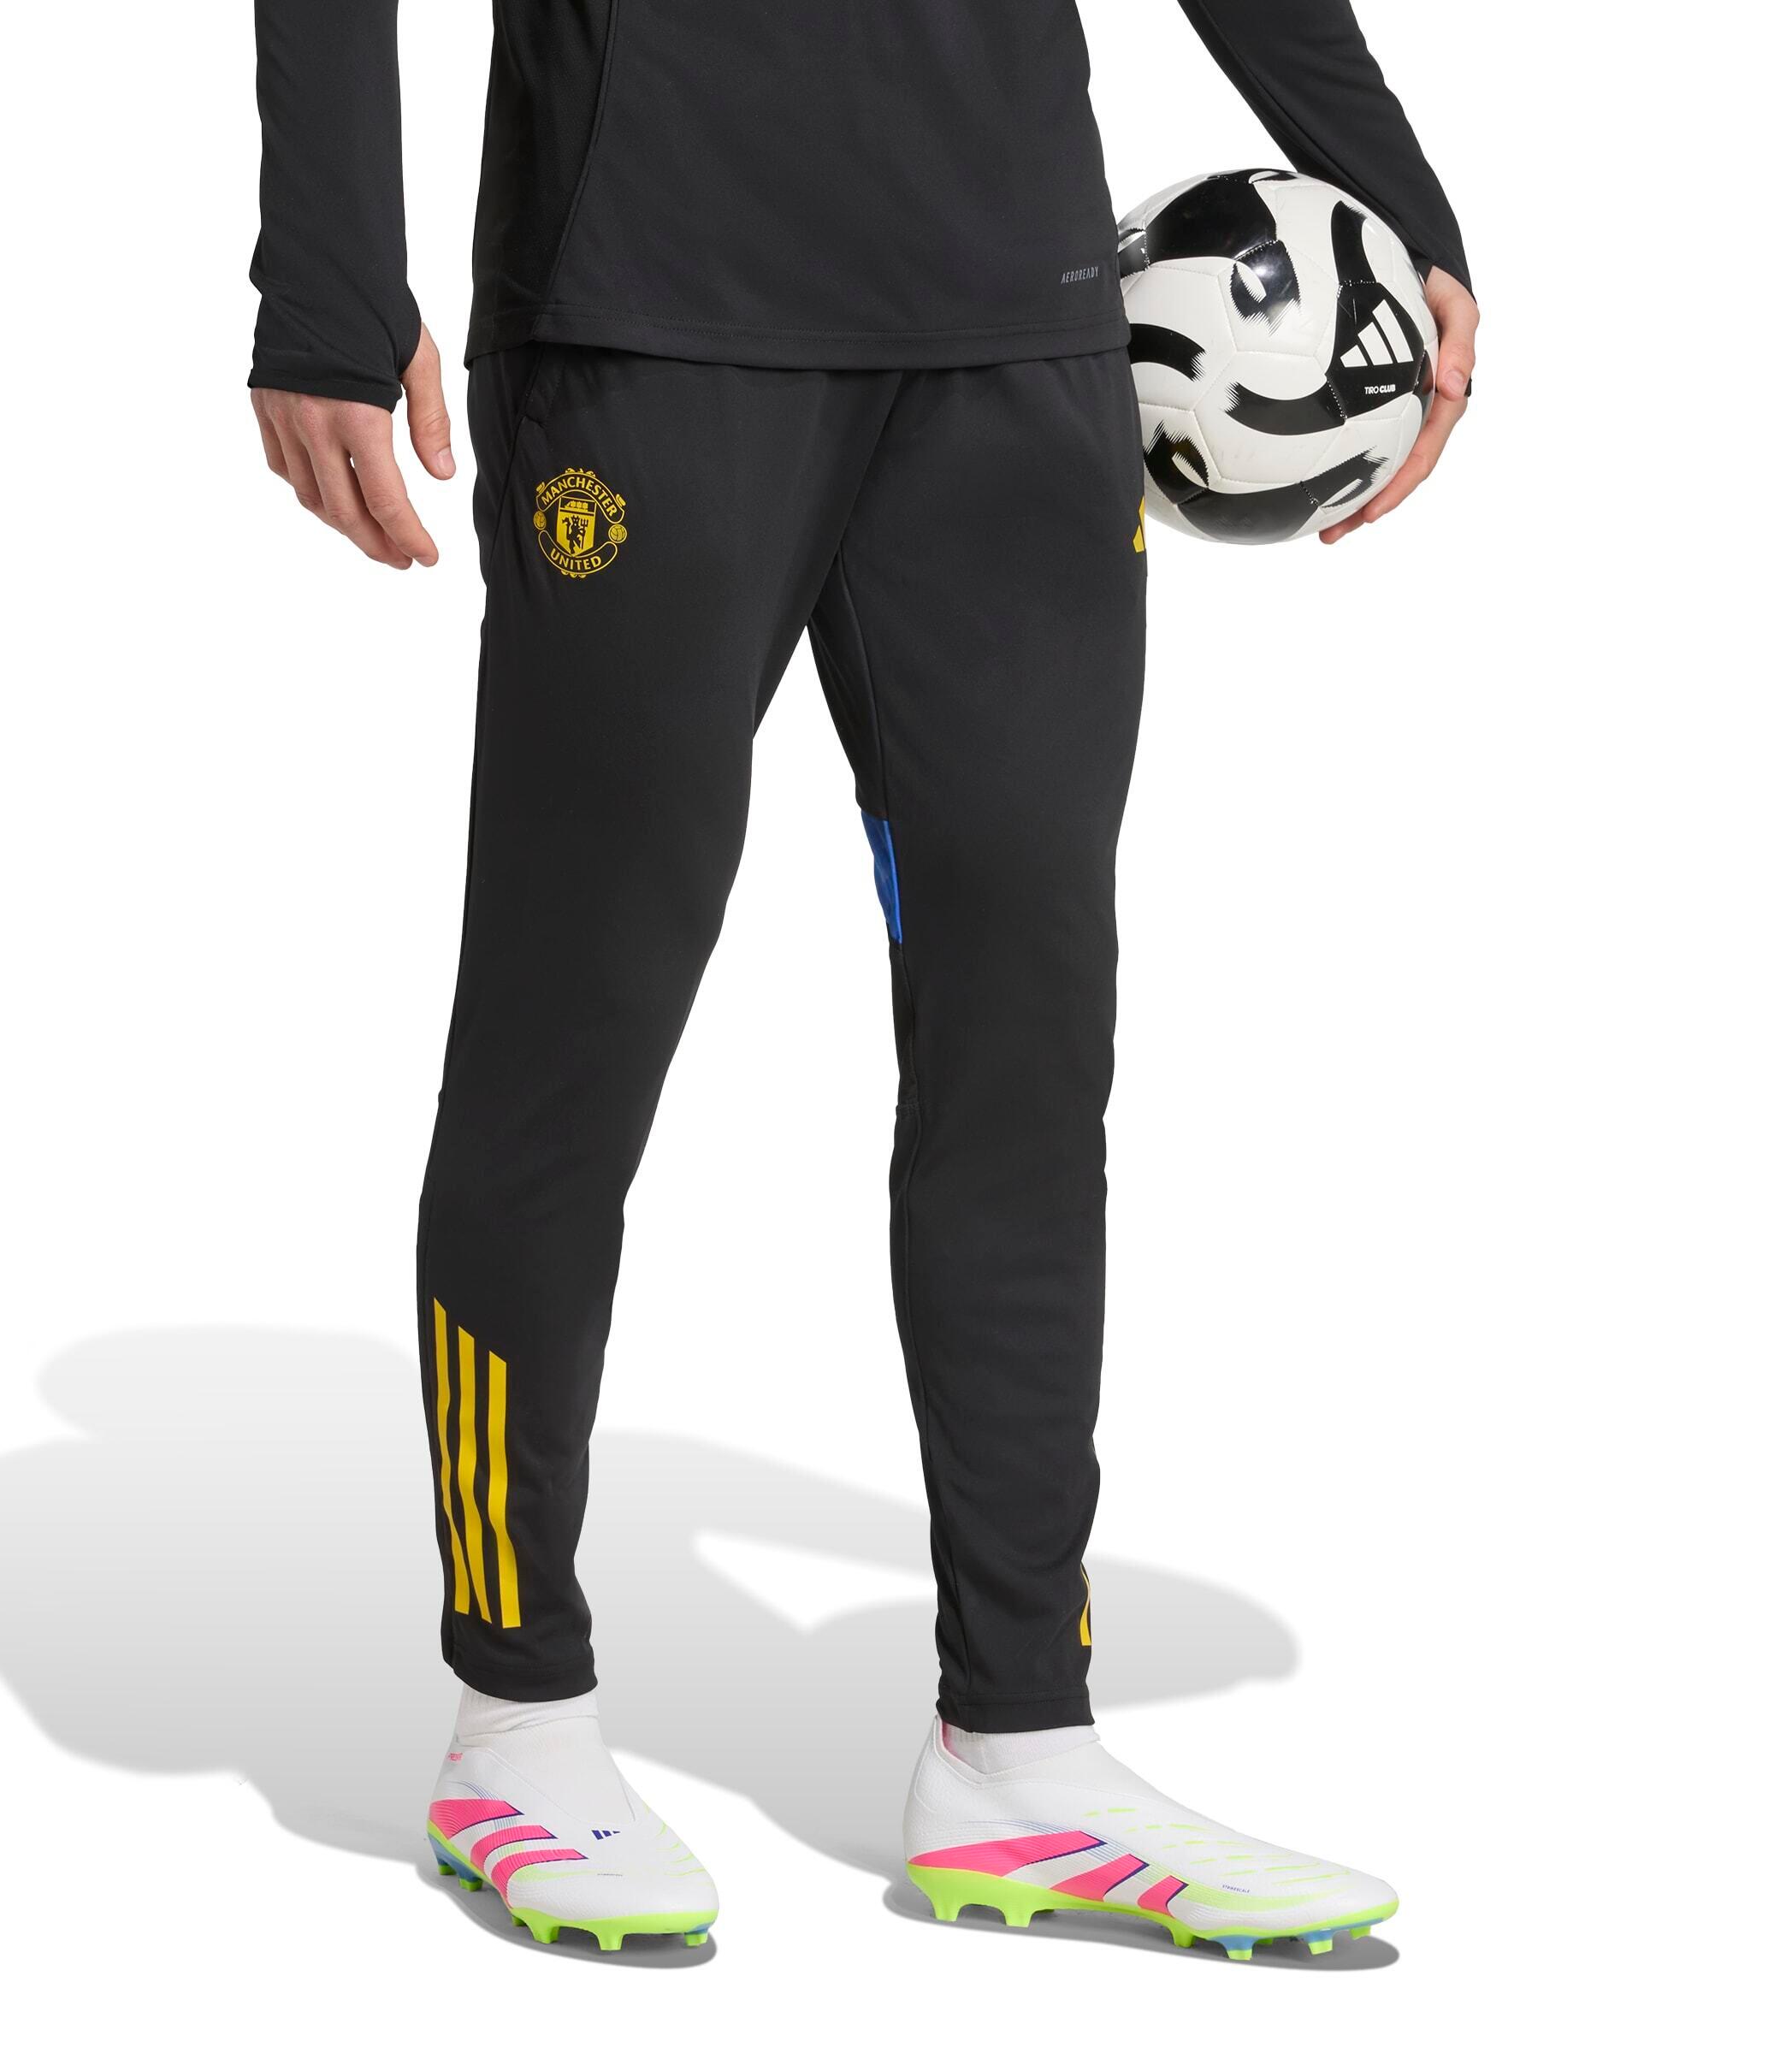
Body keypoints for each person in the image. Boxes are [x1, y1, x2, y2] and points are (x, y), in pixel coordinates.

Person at [247, 0, 1476, 1959]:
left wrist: (1390, 190)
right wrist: (326, 268)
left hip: (1016, 322)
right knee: (570, 1030)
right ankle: (516, 1719)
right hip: (650, 306)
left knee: (1026, 1053)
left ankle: (1022, 1743)